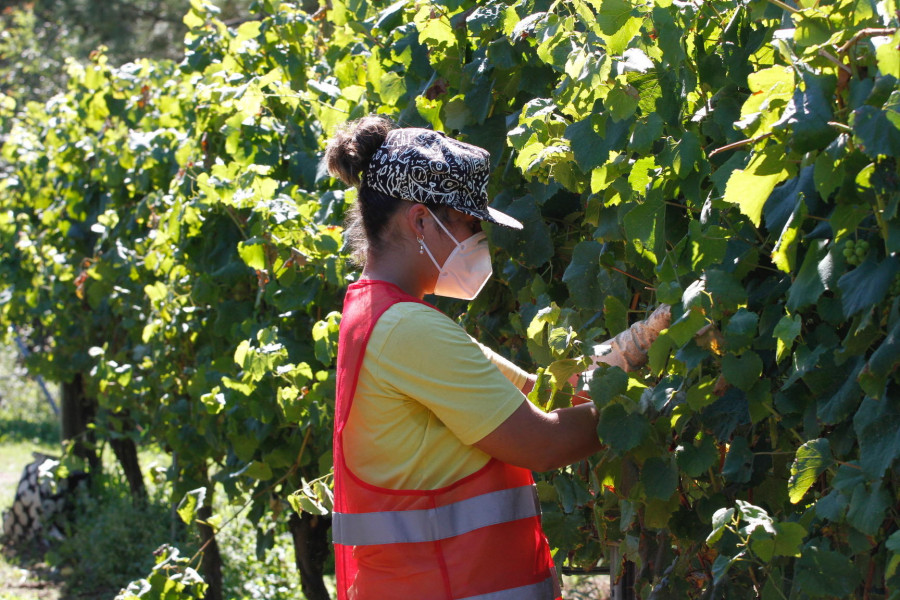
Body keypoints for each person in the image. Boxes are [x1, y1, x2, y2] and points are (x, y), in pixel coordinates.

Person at [324, 116, 668, 600]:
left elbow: (542, 392)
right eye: (469, 224)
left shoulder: (380, 315)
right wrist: (652, 406)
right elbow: (543, 442)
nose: (479, 241)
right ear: (421, 220)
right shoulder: (409, 330)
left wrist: (634, 347)